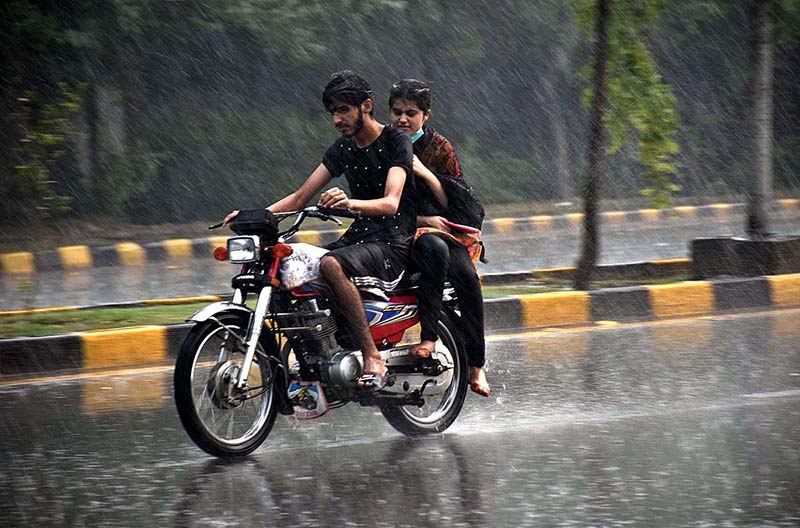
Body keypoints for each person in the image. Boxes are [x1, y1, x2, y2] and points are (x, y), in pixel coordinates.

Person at [224, 70, 415, 389]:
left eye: (344, 110)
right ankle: (320, 352)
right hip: (359, 239)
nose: (337, 119)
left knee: (330, 264)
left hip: (393, 242)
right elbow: (300, 197)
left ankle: (372, 357)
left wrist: (349, 203)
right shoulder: (344, 149)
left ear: (366, 106)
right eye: (333, 113)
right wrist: (255, 215)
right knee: (292, 264)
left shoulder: (396, 141)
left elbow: (391, 202)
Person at [388, 79, 490, 397]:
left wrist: (425, 173)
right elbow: (381, 202)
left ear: (426, 115)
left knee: (468, 281)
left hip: (444, 230)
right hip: (399, 231)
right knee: (430, 250)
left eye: (411, 113)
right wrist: (422, 220)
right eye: (396, 112)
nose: (402, 119)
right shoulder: (383, 144)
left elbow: (457, 202)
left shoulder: (440, 147)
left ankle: (477, 366)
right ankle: (425, 339)